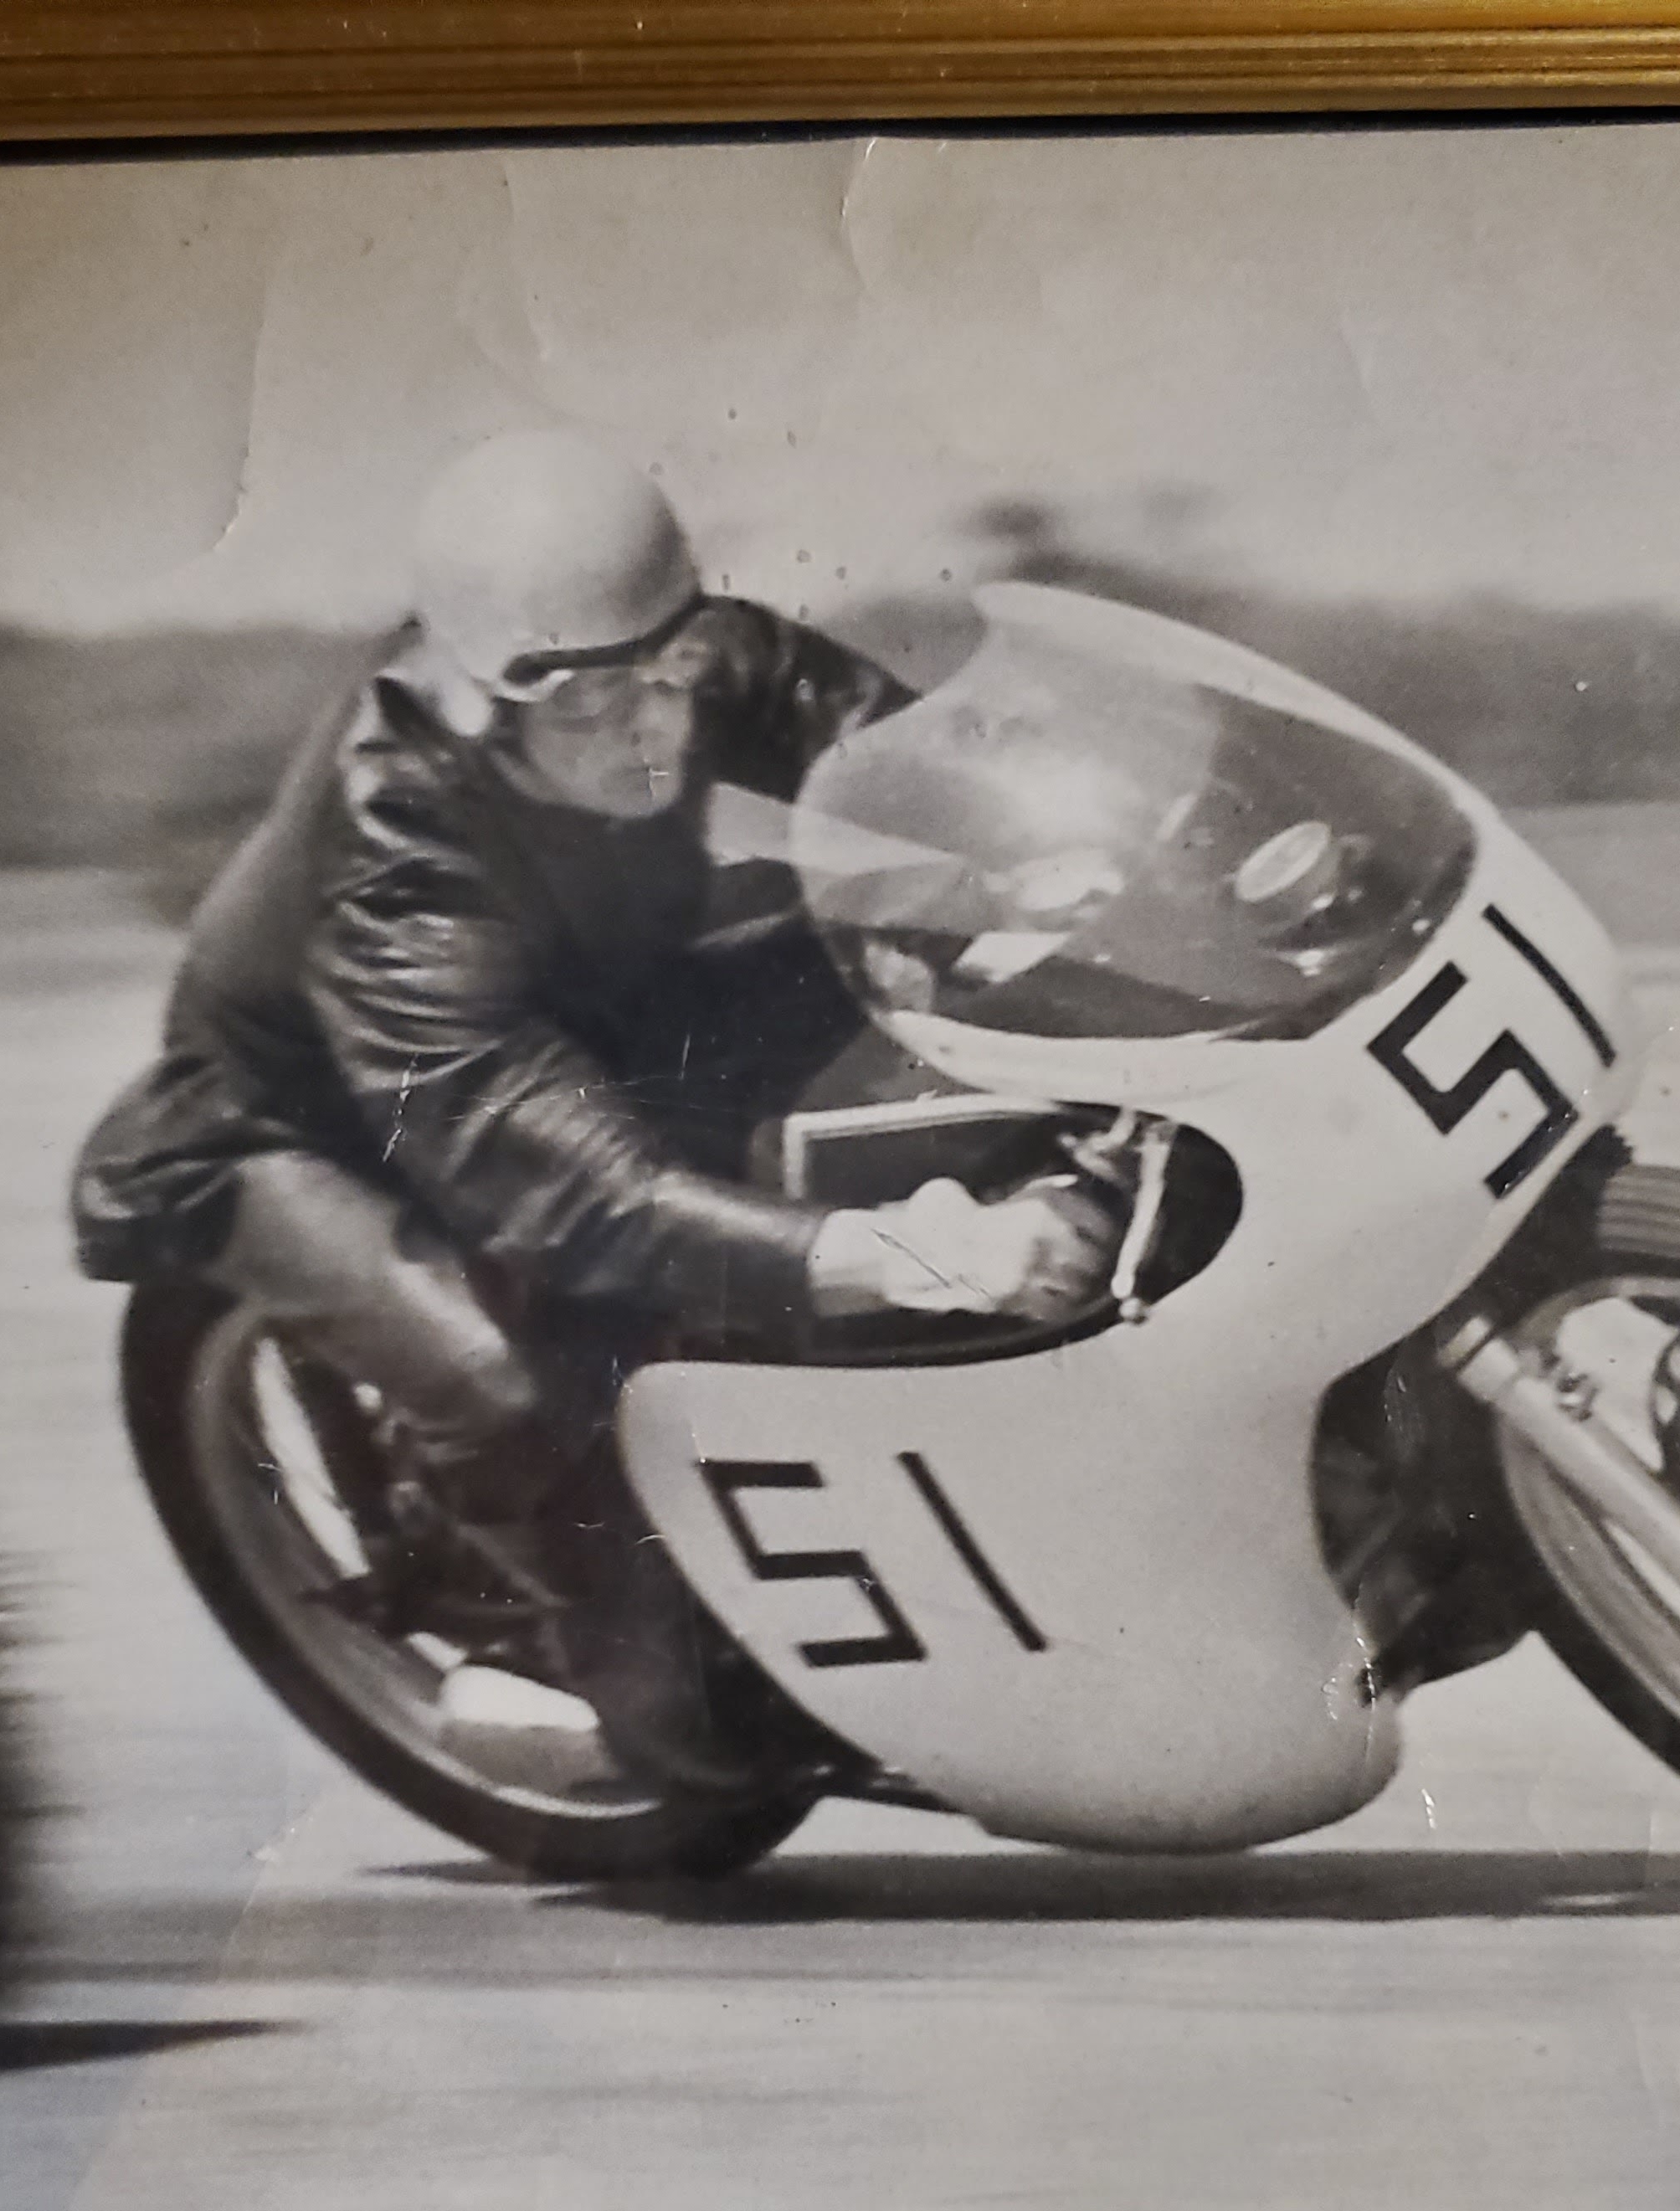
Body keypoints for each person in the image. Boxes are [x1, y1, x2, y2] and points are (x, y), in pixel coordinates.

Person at [73, 430, 1110, 1792]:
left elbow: (915, 767)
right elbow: (575, 1191)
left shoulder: (701, 658)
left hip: (583, 1015)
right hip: (311, 1124)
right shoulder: (402, 862)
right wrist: (927, 1256)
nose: (654, 728)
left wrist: (1054, 853)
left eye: (670, 672)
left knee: (937, 991)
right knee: (527, 1408)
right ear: (488, 706)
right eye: (590, 705)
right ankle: (593, 1686)